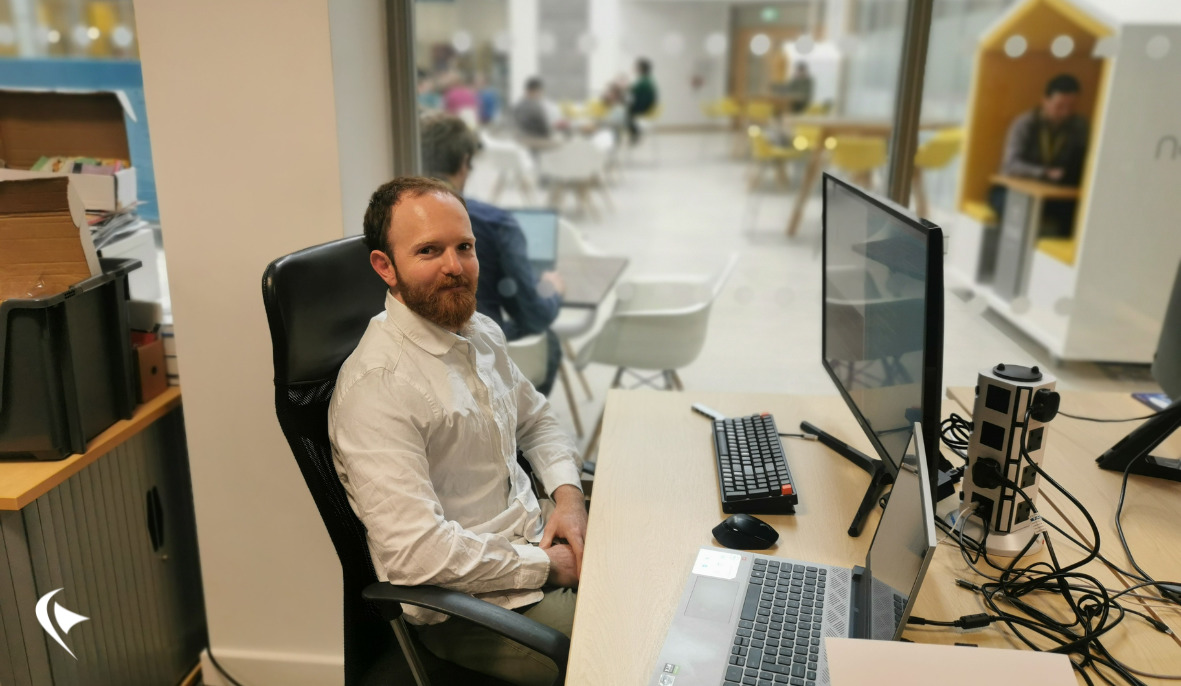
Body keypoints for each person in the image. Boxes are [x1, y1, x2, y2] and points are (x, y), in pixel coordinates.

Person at [328, 175, 586, 686]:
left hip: (536, 545)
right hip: (472, 609)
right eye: (429, 251)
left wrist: (569, 498)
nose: (455, 267)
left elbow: (536, 420)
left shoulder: (480, 332)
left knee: (670, 586)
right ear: (386, 267)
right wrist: (546, 565)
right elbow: (416, 557)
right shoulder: (377, 389)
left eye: (463, 247)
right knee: (636, 645)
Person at [420, 113, 566, 396]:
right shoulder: (496, 223)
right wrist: (552, 289)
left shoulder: (394, 218)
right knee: (549, 342)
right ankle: (518, 431)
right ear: (465, 162)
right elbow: (533, 315)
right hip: (476, 352)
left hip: (419, 353)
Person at [991, 74, 1089, 235]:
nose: (1065, 112)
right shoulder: (1025, 123)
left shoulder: (1079, 127)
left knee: (1076, 216)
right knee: (1015, 213)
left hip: (1053, 194)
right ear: (1045, 100)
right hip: (1014, 189)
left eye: (1071, 107)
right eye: (1060, 106)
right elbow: (1010, 165)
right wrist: (1044, 172)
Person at [626, 57, 658, 144]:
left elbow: (632, 91)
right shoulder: (646, 79)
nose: (635, 68)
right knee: (625, 109)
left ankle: (634, 134)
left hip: (643, 107)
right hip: (646, 106)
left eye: (636, 67)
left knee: (625, 111)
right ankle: (634, 133)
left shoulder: (644, 81)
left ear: (641, 68)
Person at [513, 77, 554, 142]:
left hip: (520, 138)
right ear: (537, 90)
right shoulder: (535, 106)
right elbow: (545, 129)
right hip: (535, 141)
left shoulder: (519, 104)